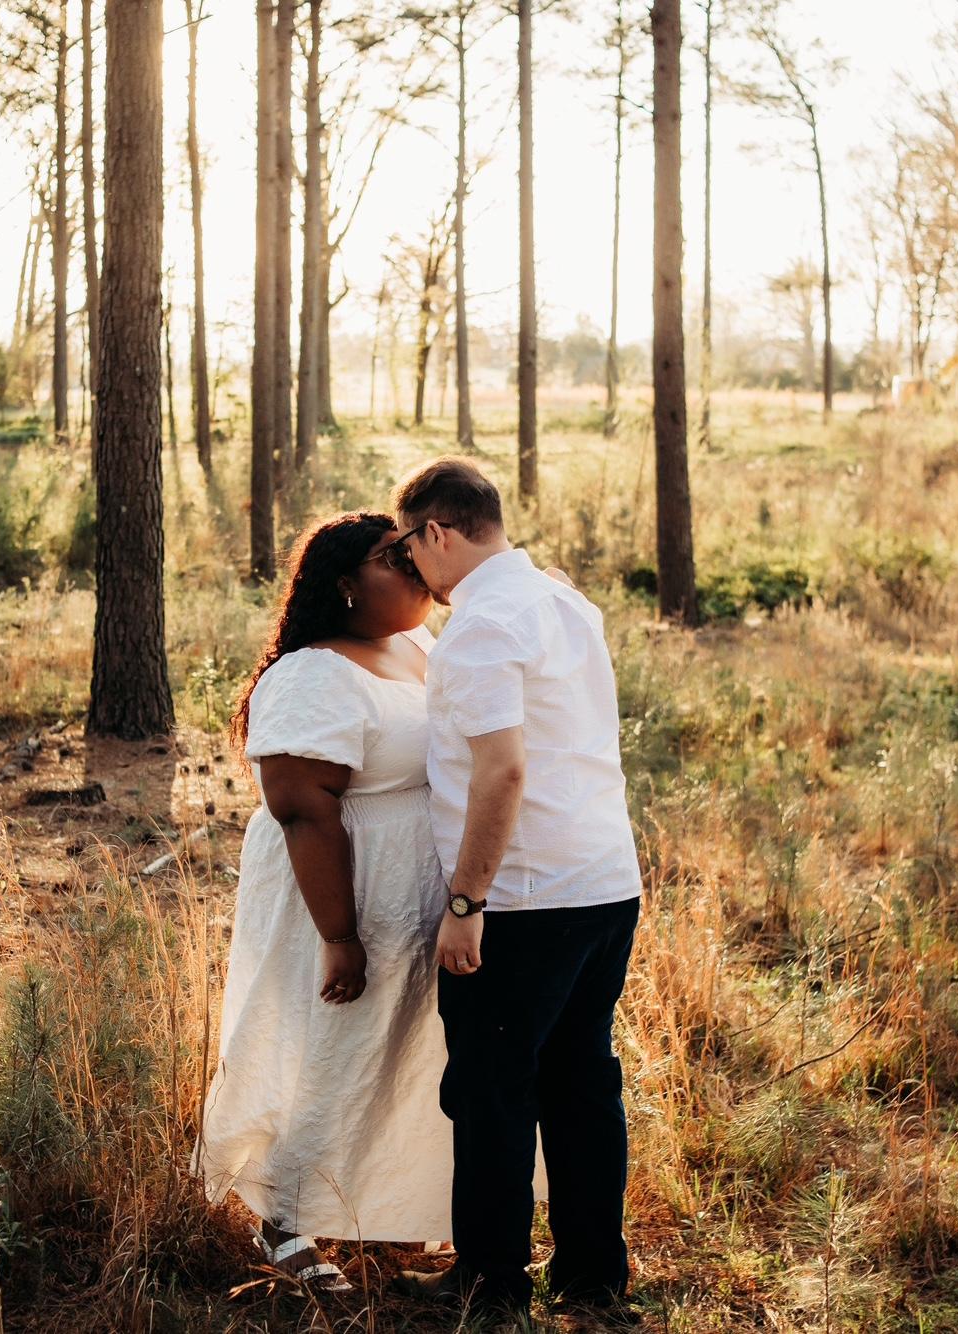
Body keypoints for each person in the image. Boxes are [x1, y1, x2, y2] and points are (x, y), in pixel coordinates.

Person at [390, 457, 644, 1319]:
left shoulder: (481, 626)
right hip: (606, 882)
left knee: (492, 1091)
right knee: (582, 1083)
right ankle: (593, 1279)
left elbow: (501, 772)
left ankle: (491, 1284)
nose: (411, 568)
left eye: (409, 546)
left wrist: (467, 904)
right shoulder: (565, 603)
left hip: (528, 899)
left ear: (437, 532)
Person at [194, 512, 454, 1290]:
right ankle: (284, 1219)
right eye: (391, 558)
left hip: (415, 891)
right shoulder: (313, 674)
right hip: (339, 890)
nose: (412, 566)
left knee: (403, 1050)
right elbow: (303, 807)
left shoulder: (414, 644)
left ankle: (388, 1204)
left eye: (411, 551)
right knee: (328, 1050)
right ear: (345, 585)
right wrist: (339, 935)